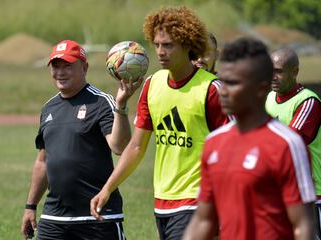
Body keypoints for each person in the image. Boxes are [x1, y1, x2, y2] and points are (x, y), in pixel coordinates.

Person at [90, 6, 229, 239]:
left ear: (187, 45)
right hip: (163, 202)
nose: (160, 52)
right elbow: (136, 147)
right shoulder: (152, 85)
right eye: (157, 45)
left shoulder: (212, 90)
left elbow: (235, 147)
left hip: (199, 200)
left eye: (168, 45)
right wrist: (108, 188)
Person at [183, 37, 316, 240]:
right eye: (223, 81)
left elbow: (302, 226)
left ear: (260, 88)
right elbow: (204, 220)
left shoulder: (287, 145)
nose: (223, 91)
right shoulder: (214, 144)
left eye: (234, 83)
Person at [20, 39, 141, 240]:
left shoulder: (101, 102)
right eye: (56, 66)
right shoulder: (48, 109)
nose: (60, 72)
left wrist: (121, 105)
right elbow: (43, 161)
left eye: (67, 66)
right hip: (54, 217)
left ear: (84, 67)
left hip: (98, 216)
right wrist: (30, 206)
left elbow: (119, 147)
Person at [265, 48, 321, 238]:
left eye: (279, 71)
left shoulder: (308, 102)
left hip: (311, 196)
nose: (273, 76)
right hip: (280, 194)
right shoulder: (269, 98)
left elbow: (286, 146)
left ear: (295, 72)